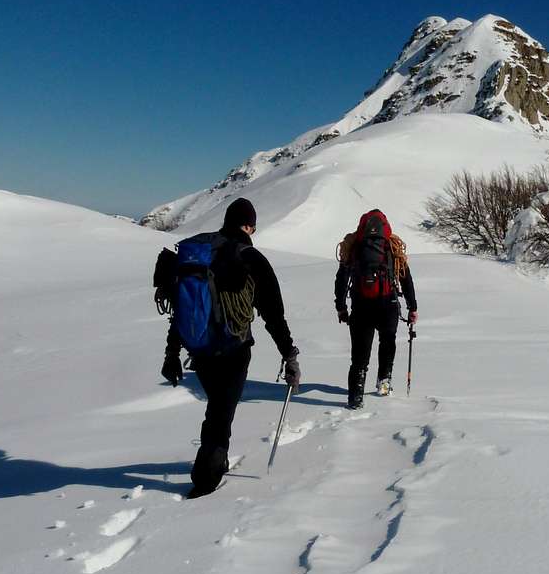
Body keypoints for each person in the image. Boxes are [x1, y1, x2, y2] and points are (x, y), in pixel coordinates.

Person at [160, 198, 301, 498]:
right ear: (249, 225)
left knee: (219, 407)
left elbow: (181, 307)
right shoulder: (250, 257)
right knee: (220, 414)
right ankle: (206, 479)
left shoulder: (200, 253)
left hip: (198, 349)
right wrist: (289, 354)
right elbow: (273, 314)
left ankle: (217, 458)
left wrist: (172, 353)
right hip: (234, 350)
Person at [334, 209, 417, 409]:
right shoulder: (392, 246)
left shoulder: (353, 247)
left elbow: (341, 280)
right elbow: (406, 279)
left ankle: (356, 396)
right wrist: (412, 307)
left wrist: (341, 307)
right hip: (387, 305)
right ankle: (384, 382)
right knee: (387, 342)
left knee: (359, 356)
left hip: (361, 306)